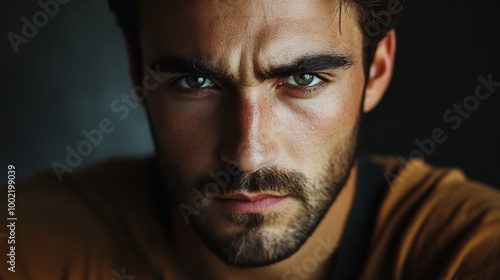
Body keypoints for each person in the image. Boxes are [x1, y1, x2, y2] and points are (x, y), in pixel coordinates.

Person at [2, 0, 499, 279]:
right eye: (195, 83)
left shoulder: (466, 249)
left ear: (376, 71)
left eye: (303, 81)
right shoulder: (23, 237)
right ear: (137, 73)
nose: (247, 152)